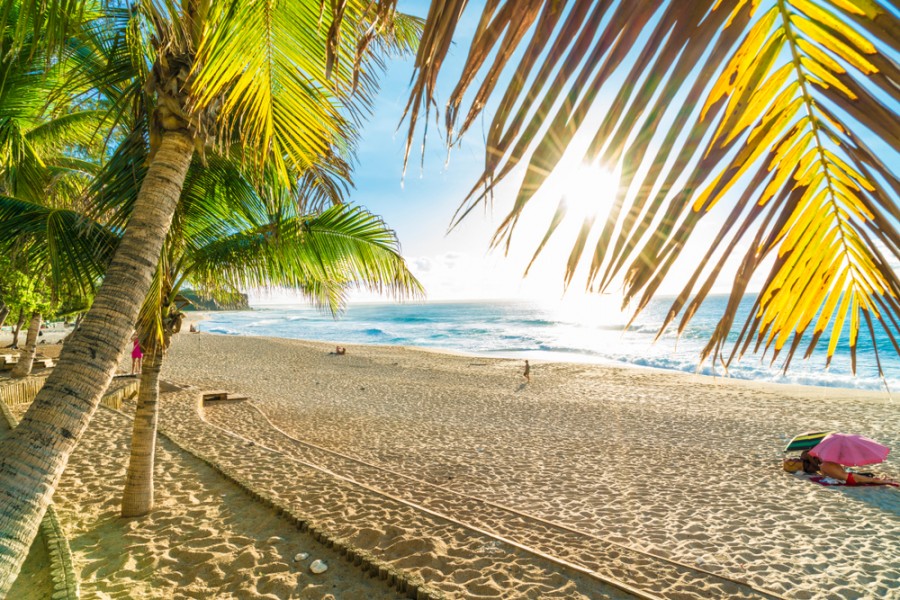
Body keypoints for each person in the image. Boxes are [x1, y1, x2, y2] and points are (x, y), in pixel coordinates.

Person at [800, 450, 898, 486]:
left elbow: (825, 477)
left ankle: (885, 480)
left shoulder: (822, 466)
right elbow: (841, 471)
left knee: (871, 480)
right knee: (872, 480)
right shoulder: (832, 463)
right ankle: (888, 481)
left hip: (847, 479)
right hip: (850, 477)